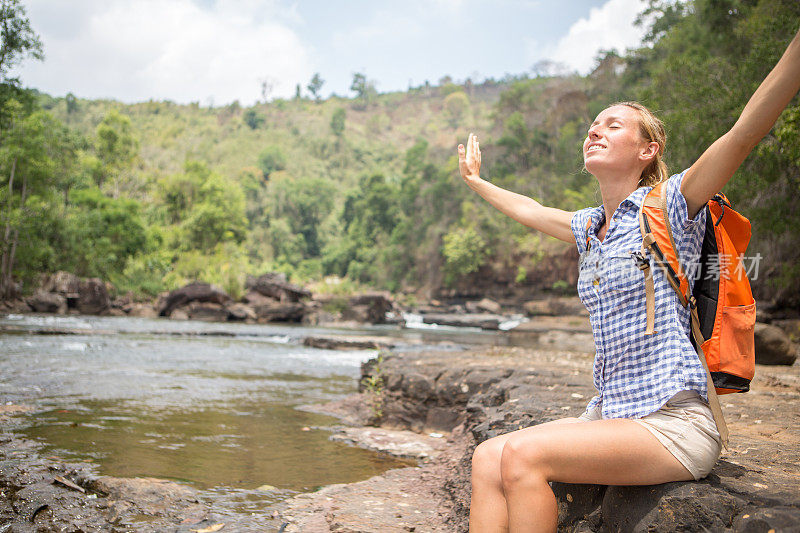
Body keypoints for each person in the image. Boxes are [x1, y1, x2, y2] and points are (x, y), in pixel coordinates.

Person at [456, 26, 800, 533]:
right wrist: (476, 181)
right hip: (613, 416)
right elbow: (532, 210)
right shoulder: (592, 226)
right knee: (489, 457)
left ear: (647, 150)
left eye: (613, 126)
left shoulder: (671, 204)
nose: (595, 130)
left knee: (523, 457)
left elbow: (744, 132)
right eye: (593, 125)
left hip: (672, 422)